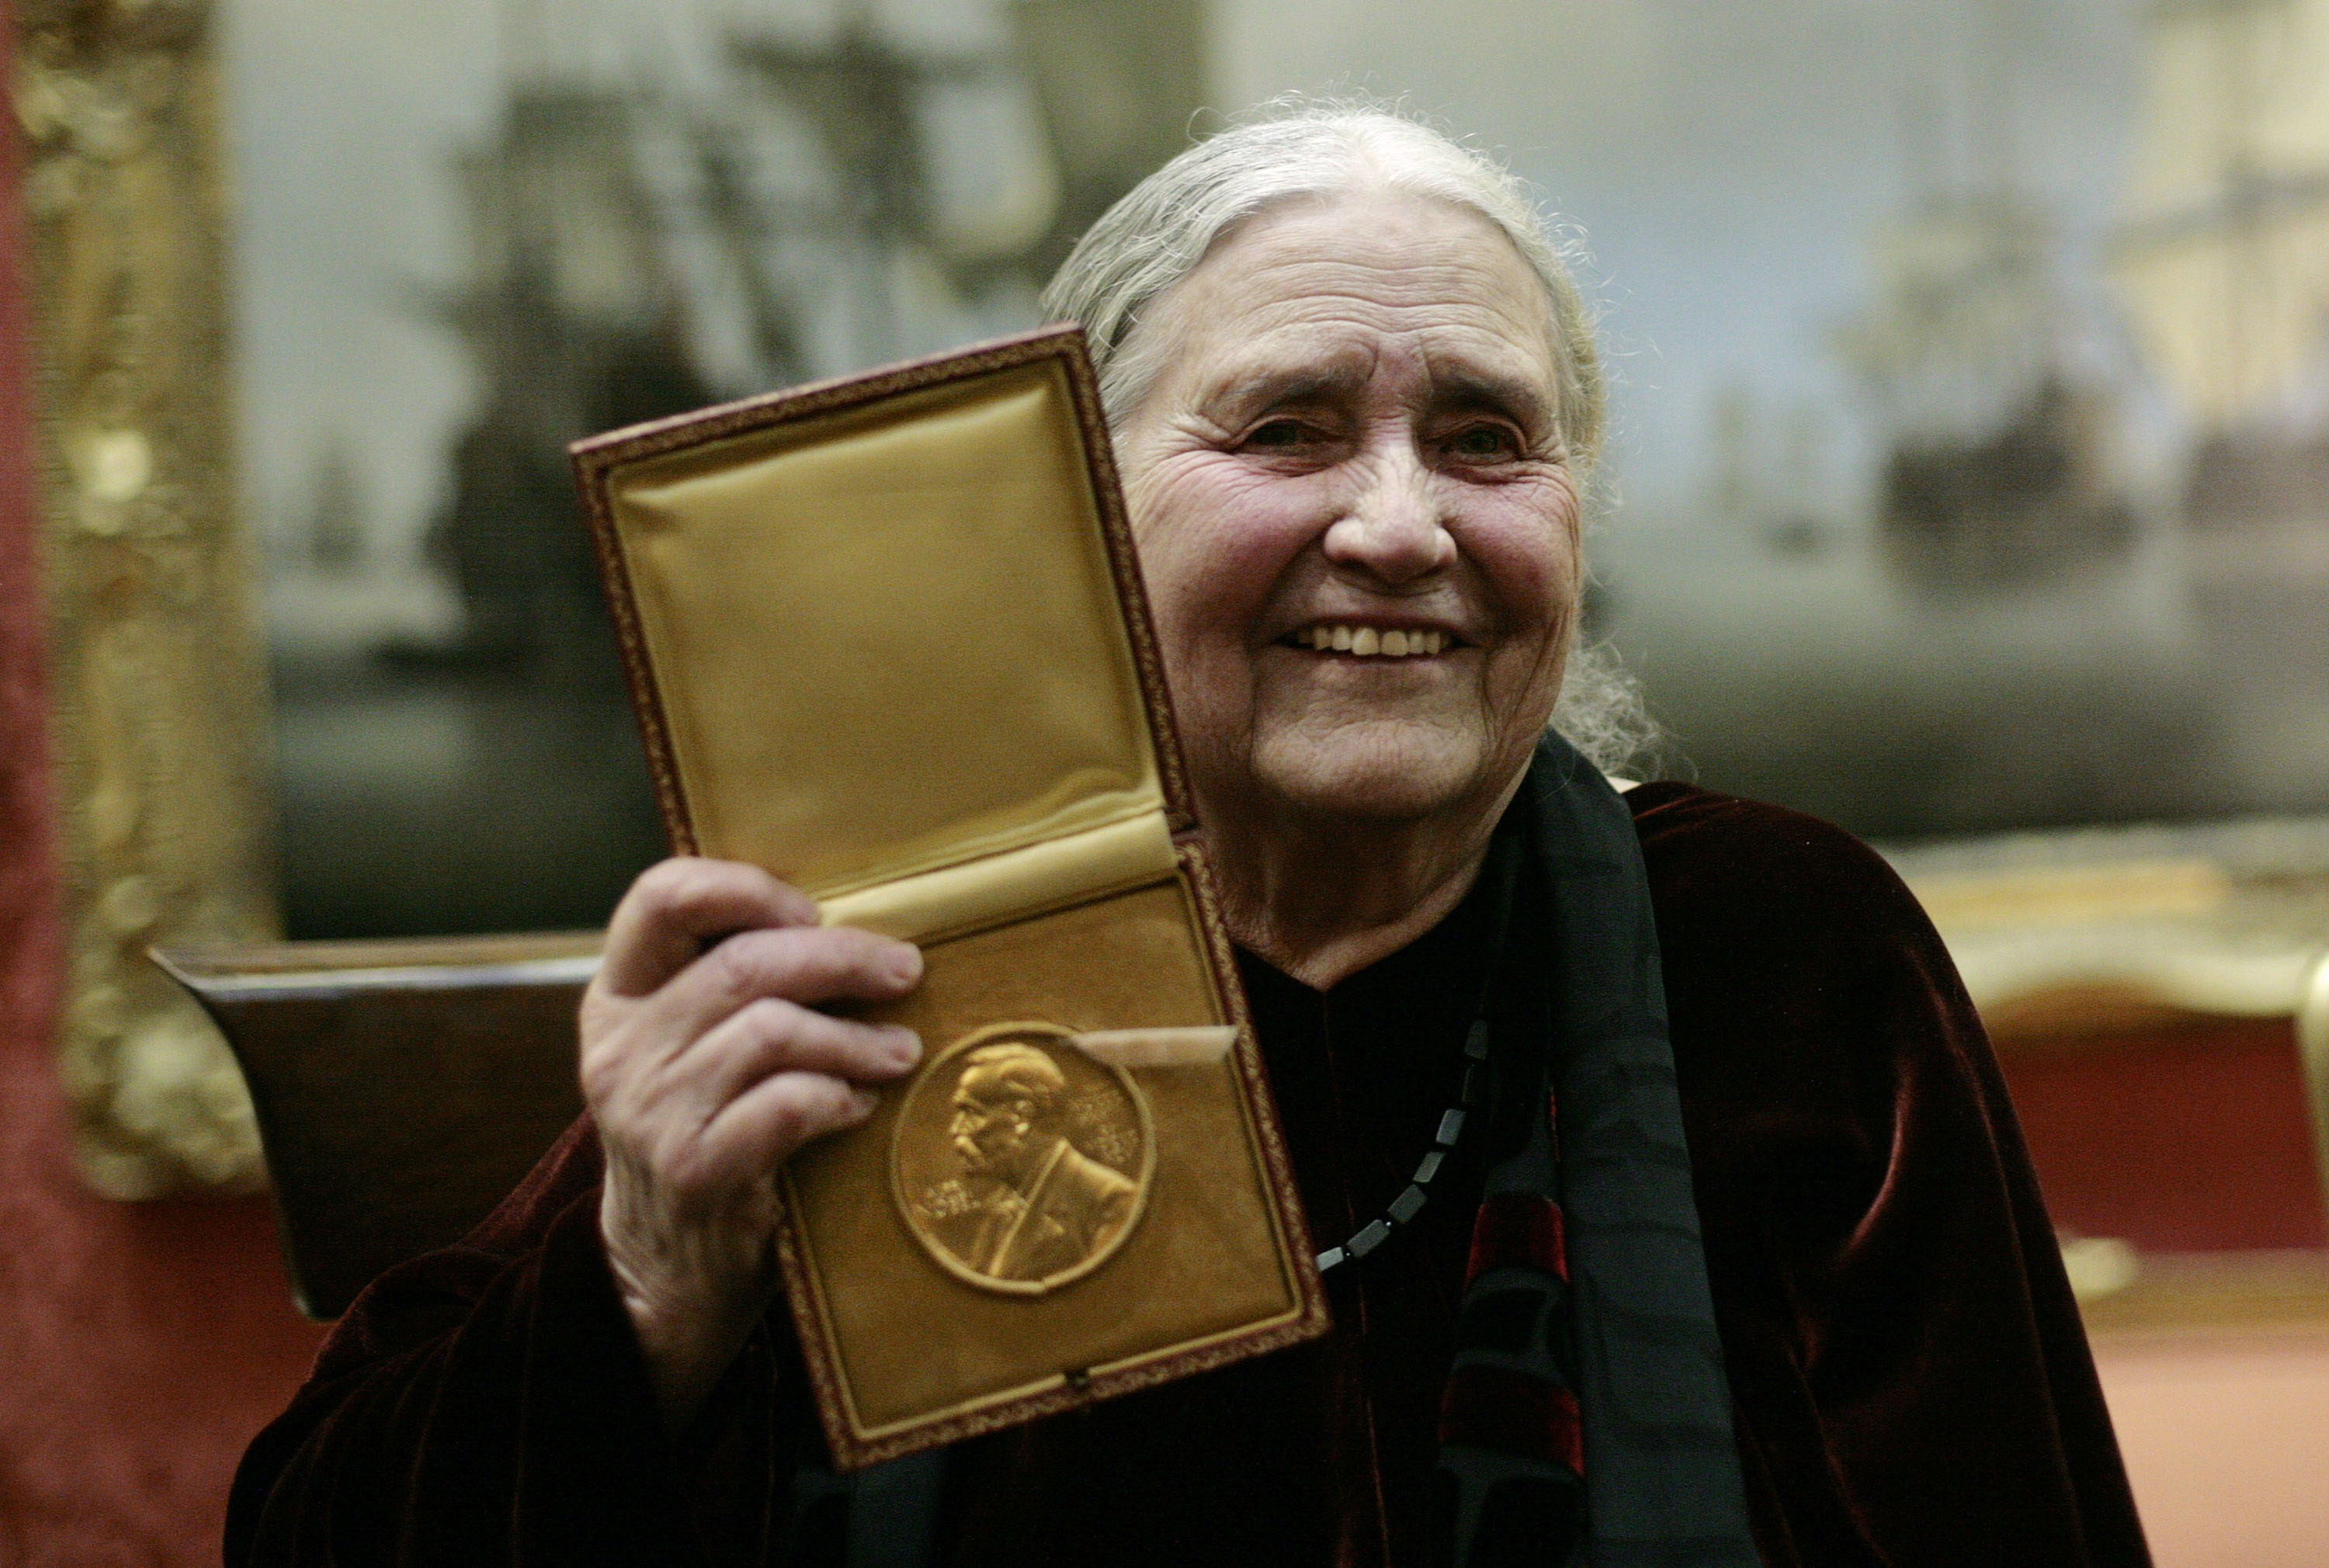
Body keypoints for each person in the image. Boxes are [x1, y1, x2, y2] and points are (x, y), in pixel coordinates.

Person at [227, 102, 2150, 1568]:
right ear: (1074, 502)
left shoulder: (1788, 952)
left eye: (1485, 438)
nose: (1399, 523)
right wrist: (651, 1277)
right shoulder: (856, 959)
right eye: (1290, 429)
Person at [945, 1042, 1138, 1285]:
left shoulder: (1110, 1200)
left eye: (971, 1112)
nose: (956, 1130)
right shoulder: (1000, 1208)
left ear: (1023, 1115)